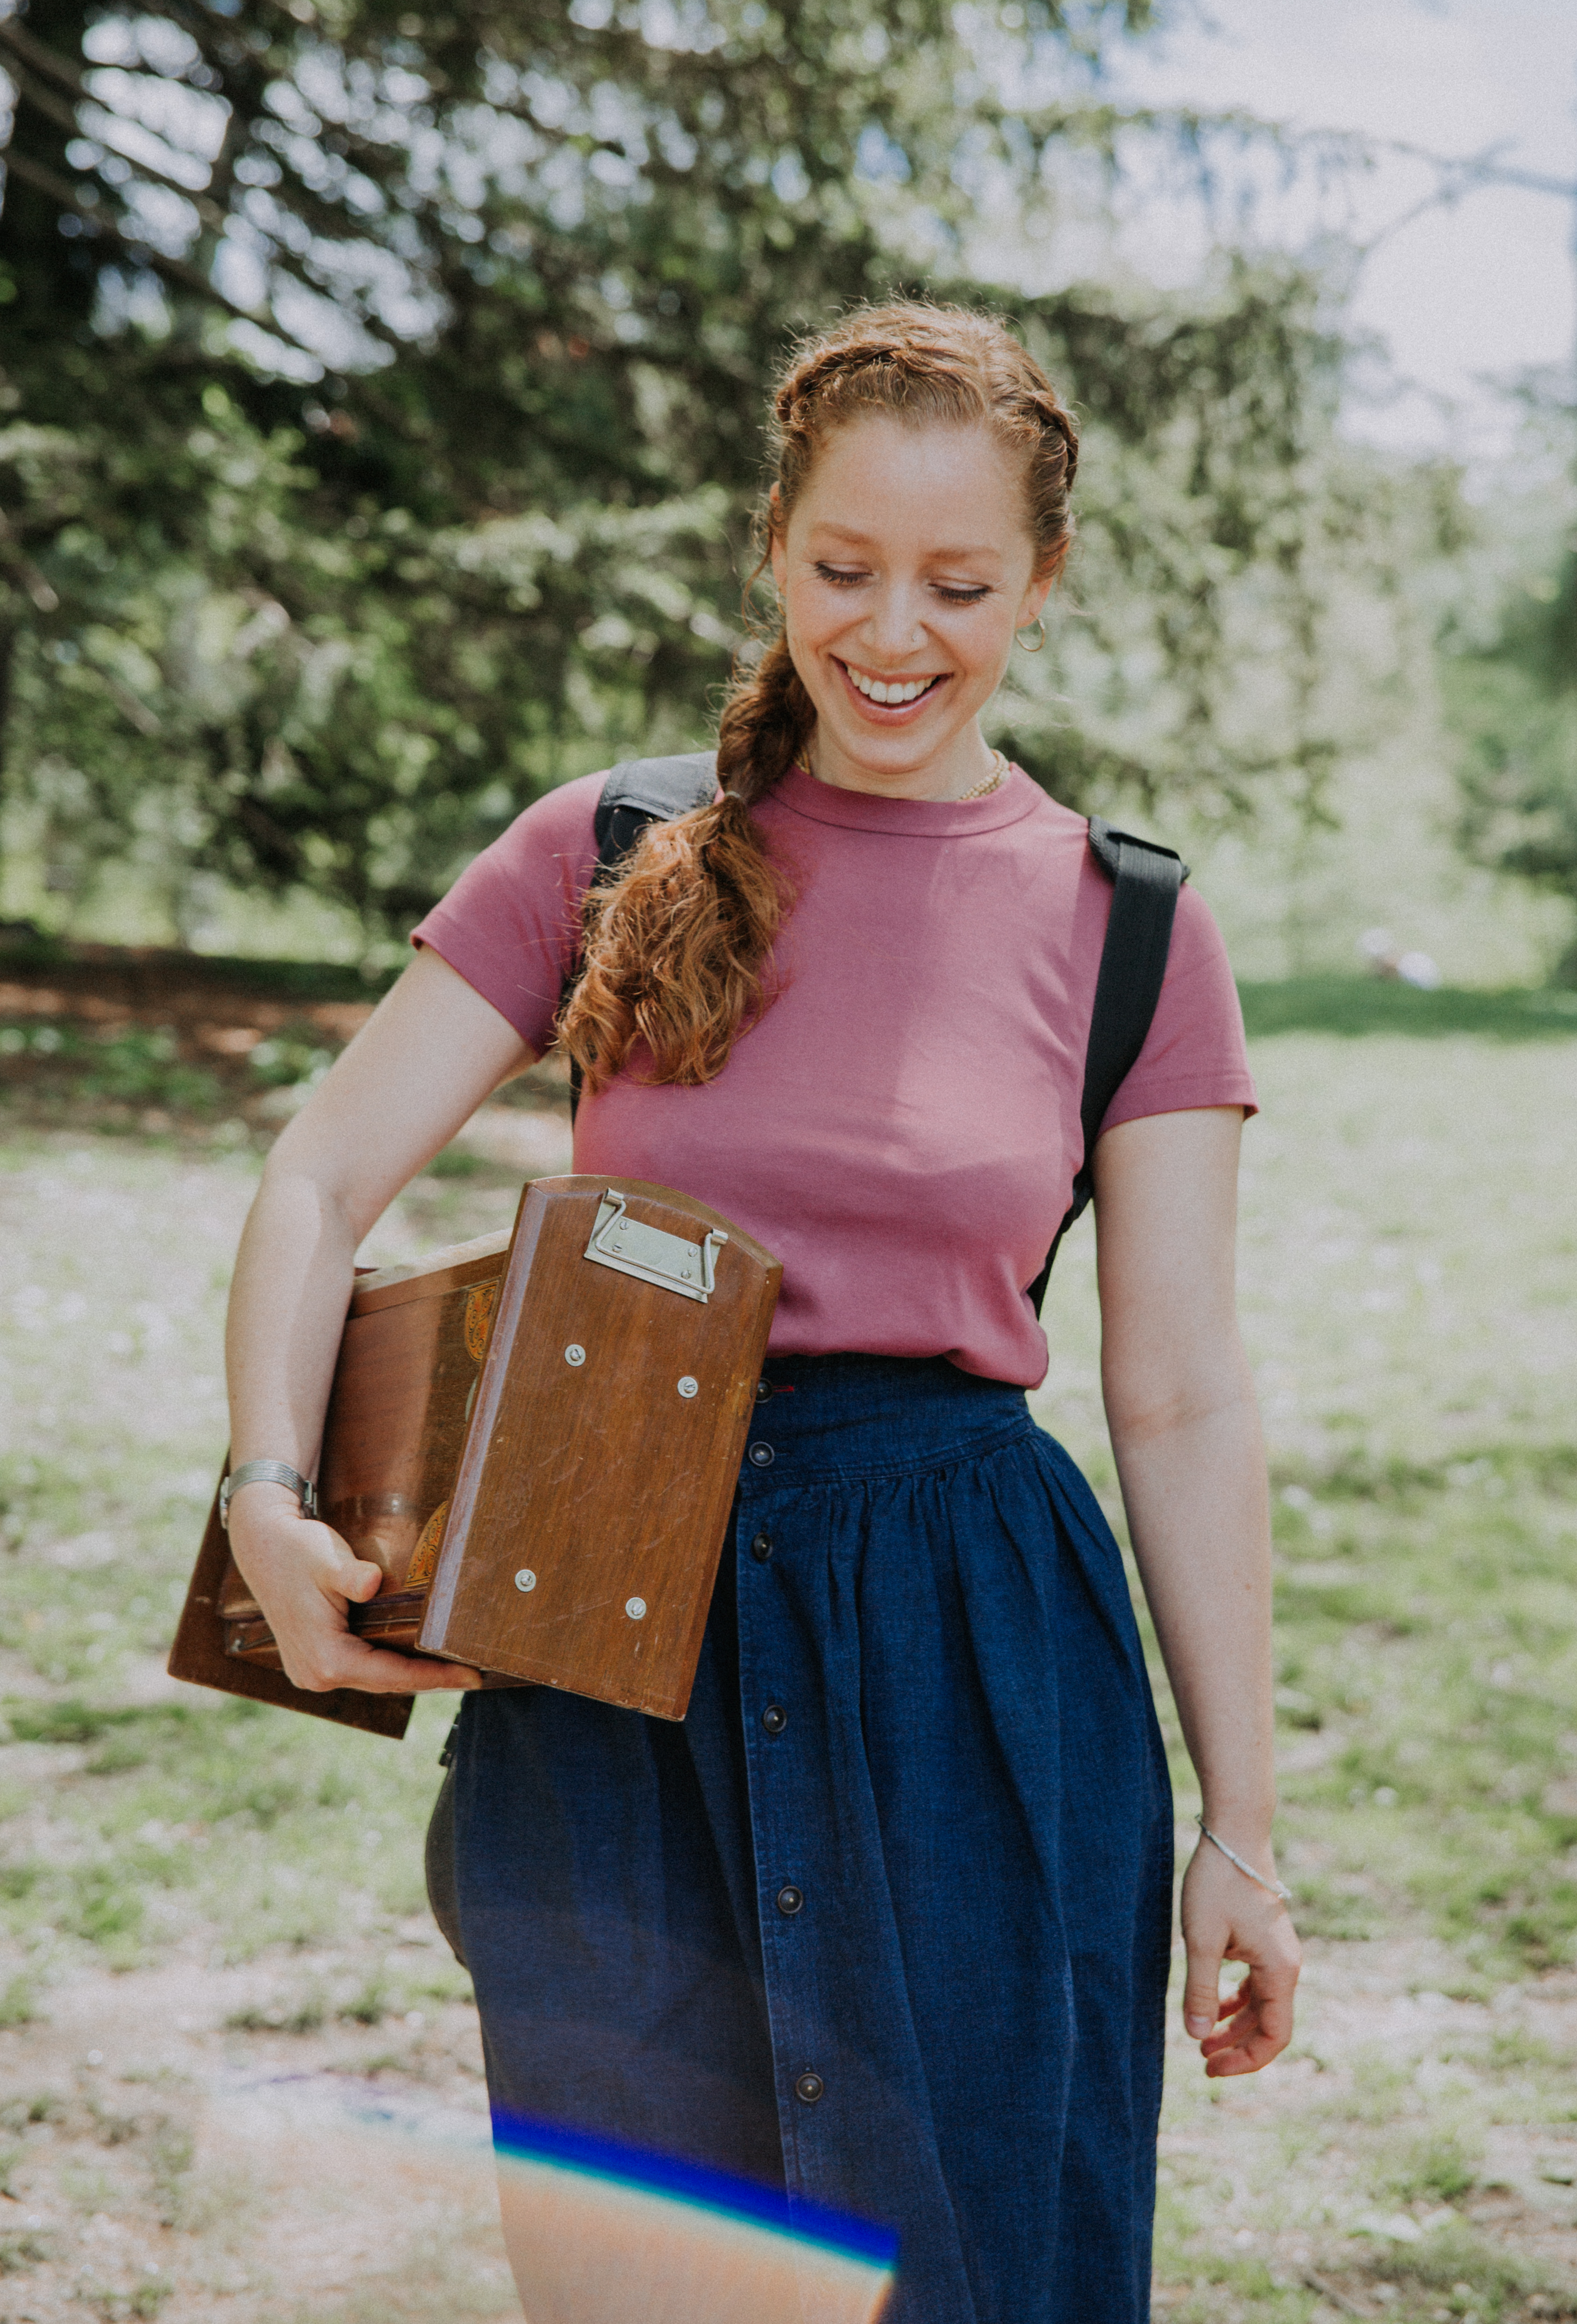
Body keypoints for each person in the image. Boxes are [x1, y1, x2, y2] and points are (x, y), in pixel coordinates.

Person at [222, 302, 1301, 2324]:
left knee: (979, 2263)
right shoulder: (606, 848)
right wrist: (264, 1492)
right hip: (603, 1617)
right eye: (842, 567)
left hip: (972, 1653)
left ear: (1043, 584)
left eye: (957, 584)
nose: (891, 633)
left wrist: (1240, 1829)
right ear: (773, 552)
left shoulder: (1133, 926)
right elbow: (319, 1178)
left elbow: (1175, 1396)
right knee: (644, 2268)